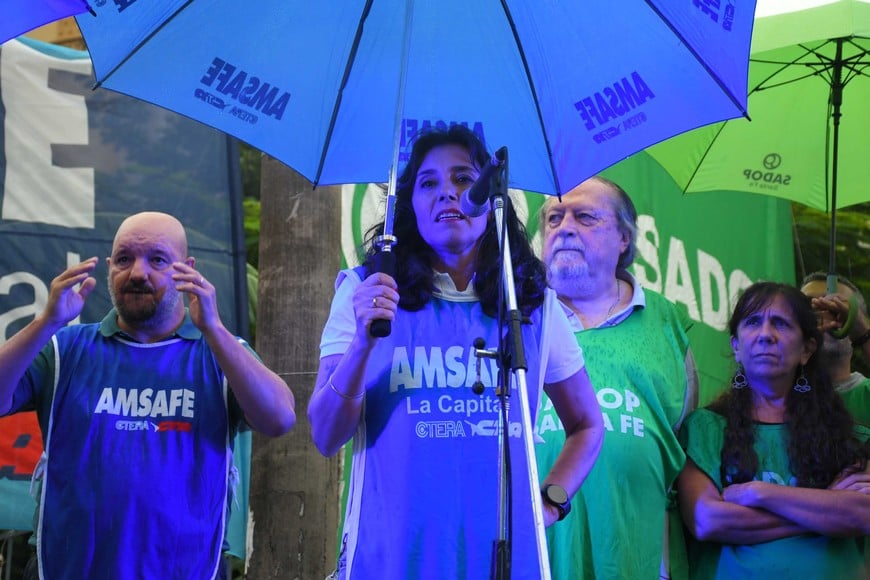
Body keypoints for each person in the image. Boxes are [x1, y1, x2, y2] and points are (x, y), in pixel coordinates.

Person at [308, 125, 604, 579]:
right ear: (409, 203)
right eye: (429, 183)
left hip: (506, 559)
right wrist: (363, 343)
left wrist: (550, 502)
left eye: (464, 179)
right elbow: (326, 435)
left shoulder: (530, 301)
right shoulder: (363, 290)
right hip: (390, 559)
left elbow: (586, 424)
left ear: (491, 198)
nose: (448, 192)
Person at [0, 212, 296, 579]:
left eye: (157, 259)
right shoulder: (65, 347)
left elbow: (280, 419)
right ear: (109, 268)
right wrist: (46, 322)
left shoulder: (219, 352)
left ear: (186, 269)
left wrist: (215, 330)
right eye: (124, 259)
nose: (138, 273)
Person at [535, 176, 699, 579]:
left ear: (624, 238)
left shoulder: (667, 324)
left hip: (635, 552)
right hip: (534, 553)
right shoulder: (519, 314)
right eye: (554, 218)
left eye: (585, 217)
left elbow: (683, 431)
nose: (565, 227)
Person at [677, 281, 870, 579]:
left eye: (781, 323)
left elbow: (861, 514)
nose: (766, 334)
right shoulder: (705, 428)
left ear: (806, 349)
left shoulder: (848, 437)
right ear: (736, 347)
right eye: (753, 322)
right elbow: (708, 520)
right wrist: (824, 507)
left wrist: (758, 492)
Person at [801, 272, 870, 425]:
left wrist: (864, 334)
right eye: (810, 309)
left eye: (837, 309)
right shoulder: (776, 397)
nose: (823, 316)